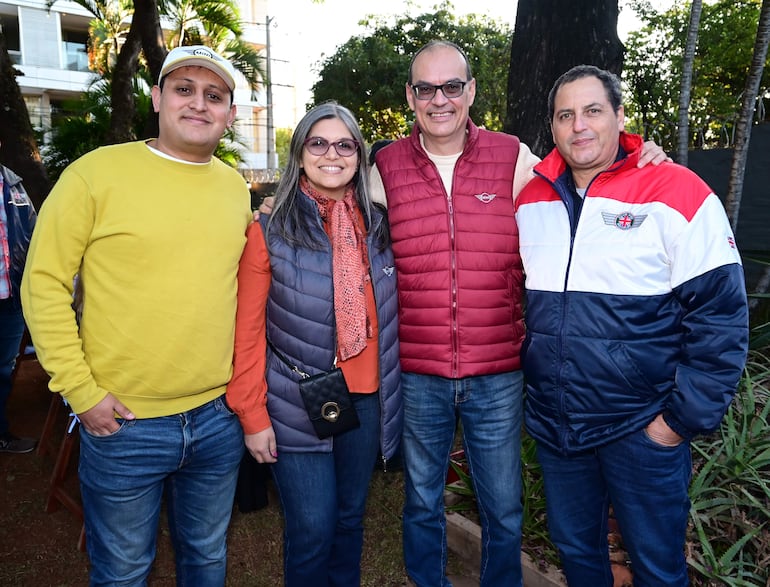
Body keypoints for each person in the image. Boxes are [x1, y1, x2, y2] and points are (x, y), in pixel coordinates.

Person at [258, 41, 667, 587]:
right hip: (417, 371)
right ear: (410, 96)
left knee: (502, 507)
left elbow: (583, 173)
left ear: (471, 91)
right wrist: (273, 204)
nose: (439, 99)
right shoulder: (384, 165)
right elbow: (332, 196)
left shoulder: (513, 156)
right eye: (425, 88)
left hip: (497, 370)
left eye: (452, 86)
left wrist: (639, 155)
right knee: (422, 501)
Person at [21, 45, 253, 585]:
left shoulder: (232, 187)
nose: (199, 104)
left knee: (207, 559)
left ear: (231, 114)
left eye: (214, 95)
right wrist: (81, 392)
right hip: (123, 422)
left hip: (217, 419)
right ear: (157, 98)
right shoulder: (96, 173)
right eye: (184, 89)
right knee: (124, 571)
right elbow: (43, 284)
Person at [514, 64, 749, 586]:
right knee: (577, 552)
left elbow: (722, 316)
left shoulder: (677, 191)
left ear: (619, 117)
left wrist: (678, 422)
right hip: (558, 426)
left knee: (658, 569)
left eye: (593, 111)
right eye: (565, 114)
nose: (579, 126)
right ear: (551, 127)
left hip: (640, 427)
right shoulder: (531, 199)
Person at [226, 101, 402, 586]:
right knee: (312, 529)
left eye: (345, 144)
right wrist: (252, 415)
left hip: (366, 398)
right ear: (300, 152)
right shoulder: (270, 230)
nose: (332, 154)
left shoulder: (382, 226)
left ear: (359, 156)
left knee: (349, 520)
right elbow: (246, 333)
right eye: (318, 142)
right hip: (296, 400)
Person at [0, 148, 37, 454]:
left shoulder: (14, 186)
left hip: (10, 298)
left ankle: (1, 434)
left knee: (3, 369)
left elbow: (33, 235)